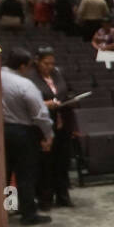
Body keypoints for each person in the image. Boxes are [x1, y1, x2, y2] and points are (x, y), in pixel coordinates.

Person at [0, 48, 54, 226]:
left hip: (0, 131)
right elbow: (40, 114)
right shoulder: (24, 84)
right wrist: (48, 135)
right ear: (22, 66)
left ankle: (9, 207)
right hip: (22, 132)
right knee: (25, 174)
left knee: (5, 173)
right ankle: (28, 213)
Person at [28, 47, 77, 209]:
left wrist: (70, 99)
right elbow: (29, 103)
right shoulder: (31, 78)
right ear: (37, 61)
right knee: (45, 164)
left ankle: (63, 196)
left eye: (52, 63)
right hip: (43, 127)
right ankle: (45, 198)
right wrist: (45, 105)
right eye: (46, 63)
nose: (49, 67)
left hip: (63, 124)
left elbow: (69, 90)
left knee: (62, 162)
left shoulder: (58, 73)